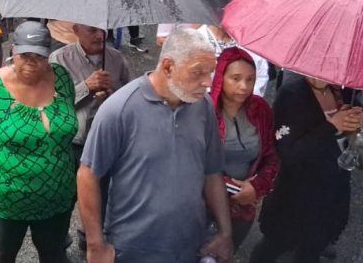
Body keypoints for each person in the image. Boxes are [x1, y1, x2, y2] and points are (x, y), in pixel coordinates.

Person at [77, 27, 232, 263]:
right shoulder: (119, 109)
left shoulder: (203, 107)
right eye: (198, 72)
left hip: (190, 244)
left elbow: (211, 172)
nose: (207, 83)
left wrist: (225, 232)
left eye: (210, 72)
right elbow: (88, 175)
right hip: (132, 248)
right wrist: (95, 244)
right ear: (168, 66)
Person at [0, 22, 76, 262]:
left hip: (57, 194)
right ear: (12, 50)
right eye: (25, 55)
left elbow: (68, 123)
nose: (31, 62)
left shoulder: (63, 79)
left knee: (54, 252)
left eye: (39, 56)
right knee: (4, 253)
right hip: (8, 197)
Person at [249, 71, 362, 263]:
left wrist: (352, 124)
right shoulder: (292, 94)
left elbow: (339, 139)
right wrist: (332, 125)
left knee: (312, 249)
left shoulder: (340, 92)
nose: (323, 74)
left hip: (332, 190)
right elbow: (289, 152)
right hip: (296, 193)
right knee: (274, 245)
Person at [49, 23, 131, 248]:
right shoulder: (59, 60)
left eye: (102, 30)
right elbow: (50, 103)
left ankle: (91, 237)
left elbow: (130, 95)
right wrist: (86, 86)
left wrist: (112, 96)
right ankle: (58, 240)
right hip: (72, 141)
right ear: (75, 30)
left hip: (105, 141)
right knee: (66, 196)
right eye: (91, 30)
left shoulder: (115, 58)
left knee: (102, 194)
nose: (99, 35)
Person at [210, 48, 279, 251]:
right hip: (205, 206)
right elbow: (192, 164)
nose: (244, 86)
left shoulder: (260, 109)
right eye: (236, 78)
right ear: (221, 77)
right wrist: (237, 189)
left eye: (250, 79)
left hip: (243, 209)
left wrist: (257, 186)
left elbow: (271, 155)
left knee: (228, 252)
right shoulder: (203, 111)